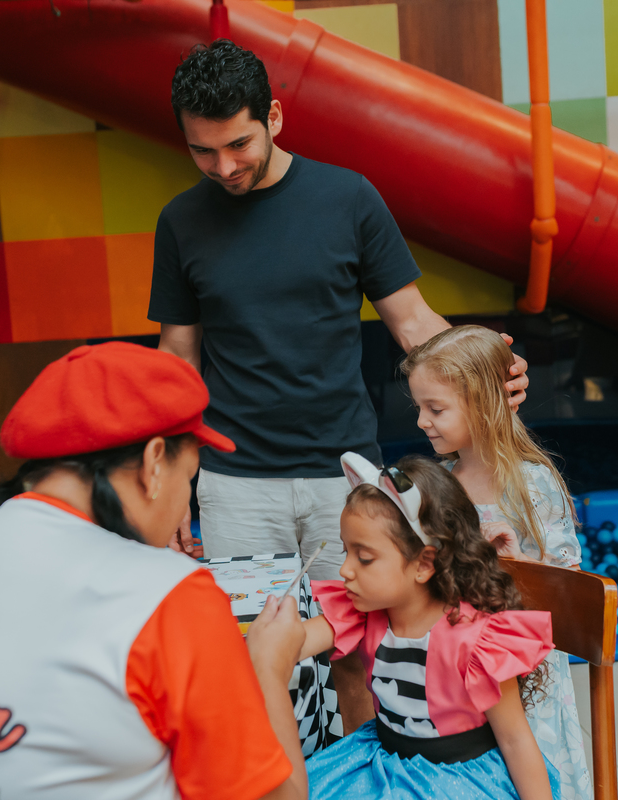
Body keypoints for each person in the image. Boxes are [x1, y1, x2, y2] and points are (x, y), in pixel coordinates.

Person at [149, 38, 528, 731]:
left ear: (275, 116)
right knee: (253, 656)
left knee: (359, 649)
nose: (224, 167)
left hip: (343, 475)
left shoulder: (348, 197)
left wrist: (482, 370)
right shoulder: (180, 221)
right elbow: (179, 357)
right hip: (236, 485)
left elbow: (411, 318)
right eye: (203, 152)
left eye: (238, 144)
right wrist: (175, 474)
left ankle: (358, 777)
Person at [0, 342, 308, 800]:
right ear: (153, 463)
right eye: (189, 478)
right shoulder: (169, 596)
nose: (183, 508)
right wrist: (267, 666)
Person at [295, 453, 558, 800]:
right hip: (382, 765)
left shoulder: (477, 640)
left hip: (460, 783)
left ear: (424, 564)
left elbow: (514, 739)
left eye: (364, 557)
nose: (344, 570)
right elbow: (293, 643)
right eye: (345, 551)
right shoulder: (363, 612)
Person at [401, 325, 590, 800]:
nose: (423, 421)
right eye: (420, 407)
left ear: (484, 403)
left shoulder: (532, 485)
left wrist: (518, 563)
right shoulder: (438, 486)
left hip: (526, 677)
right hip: (457, 671)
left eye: (436, 409)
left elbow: (570, 590)